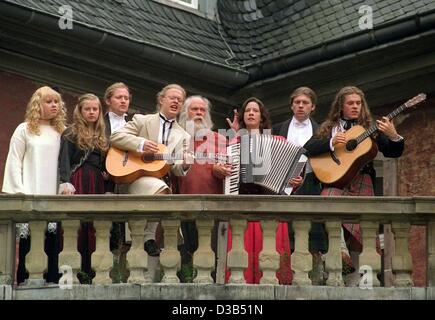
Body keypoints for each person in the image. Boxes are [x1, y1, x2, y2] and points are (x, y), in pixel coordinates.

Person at [304, 85, 404, 284]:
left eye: (358, 103)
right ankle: (340, 252)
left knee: (364, 234)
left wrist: (393, 135)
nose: (355, 106)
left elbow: (394, 152)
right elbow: (308, 148)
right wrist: (331, 142)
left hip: (361, 181)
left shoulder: (371, 129)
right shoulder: (329, 128)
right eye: (350, 103)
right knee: (327, 198)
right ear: (341, 106)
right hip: (336, 183)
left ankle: (365, 286)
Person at [110, 83, 191, 260]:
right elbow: (115, 137)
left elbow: (176, 168)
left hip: (159, 179)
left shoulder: (184, 136)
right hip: (133, 175)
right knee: (161, 190)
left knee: (161, 188)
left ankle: (146, 238)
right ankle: (148, 237)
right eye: (172, 98)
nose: (176, 101)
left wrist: (184, 164)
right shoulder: (142, 120)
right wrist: (140, 144)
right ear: (161, 99)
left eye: (180, 100)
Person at [226, 97, 301, 284]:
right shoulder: (234, 143)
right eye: (248, 110)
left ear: (262, 117)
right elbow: (224, 170)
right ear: (243, 116)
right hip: (242, 205)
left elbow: (294, 171)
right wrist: (221, 170)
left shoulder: (278, 140)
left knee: (271, 255)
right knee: (241, 252)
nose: (251, 113)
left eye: (255, 110)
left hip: (271, 206)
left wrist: (295, 182)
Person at [2, 86, 67, 284]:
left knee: (53, 245)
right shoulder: (24, 129)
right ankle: (23, 280)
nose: (54, 105)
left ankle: (53, 282)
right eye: (49, 102)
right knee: (28, 244)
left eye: (56, 102)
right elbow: (14, 161)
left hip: (54, 195)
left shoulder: (62, 132)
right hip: (31, 192)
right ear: (37, 105)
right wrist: (18, 191)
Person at [272, 87, 327, 283]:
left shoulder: (322, 130)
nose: (301, 106)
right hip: (283, 185)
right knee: (286, 233)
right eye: (297, 102)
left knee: (311, 232)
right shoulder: (278, 128)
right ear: (292, 105)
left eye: (305, 103)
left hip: (311, 183)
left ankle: (312, 279)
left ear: (313, 107)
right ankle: (285, 278)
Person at [174, 95, 231, 282]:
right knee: (185, 257)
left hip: (214, 206)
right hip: (183, 206)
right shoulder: (177, 138)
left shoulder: (220, 139)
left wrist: (218, 169)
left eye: (202, 110)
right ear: (185, 113)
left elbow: (231, 168)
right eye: (194, 109)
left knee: (211, 256)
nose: (199, 113)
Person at [58, 93, 109, 283]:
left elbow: (106, 164)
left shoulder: (103, 136)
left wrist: (108, 177)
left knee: (94, 227)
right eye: (87, 109)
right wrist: (65, 181)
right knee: (76, 226)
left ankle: (91, 271)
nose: (92, 112)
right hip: (78, 180)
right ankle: (71, 272)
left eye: (95, 109)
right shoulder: (71, 133)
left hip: (97, 183)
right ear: (80, 111)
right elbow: (63, 160)